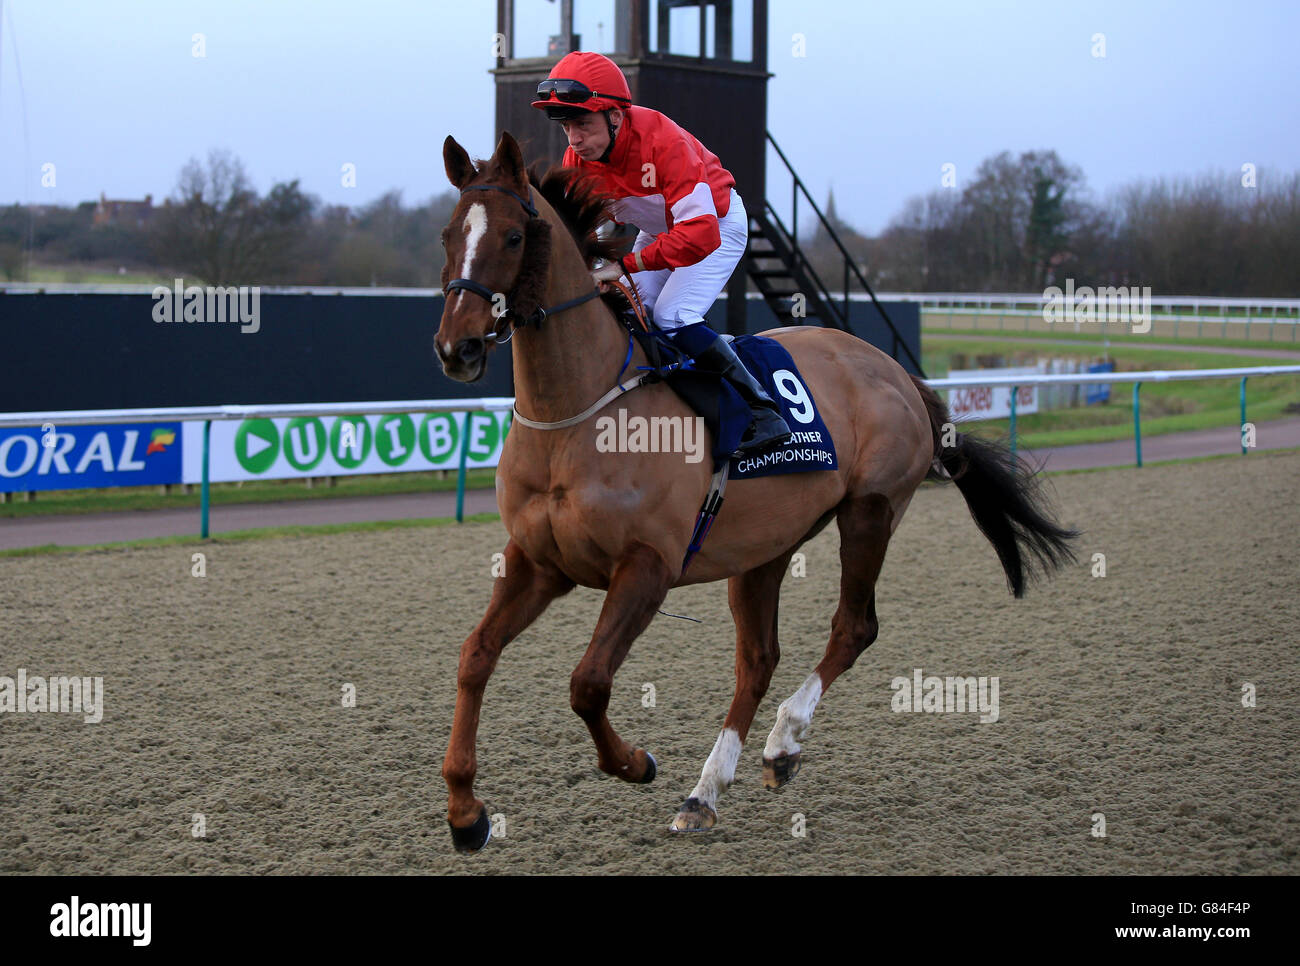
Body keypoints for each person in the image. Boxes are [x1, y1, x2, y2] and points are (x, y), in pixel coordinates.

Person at [531, 51, 791, 454]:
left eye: (582, 123)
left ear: (615, 116)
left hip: (717, 226)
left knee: (673, 315)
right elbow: (580, 237)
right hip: (660, 231)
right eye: (567, 127)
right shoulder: (576, 159)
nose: (574, 139)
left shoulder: (663, 142)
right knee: (627, 307)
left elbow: (699, 235)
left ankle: (763, 412)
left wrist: (625, 264)